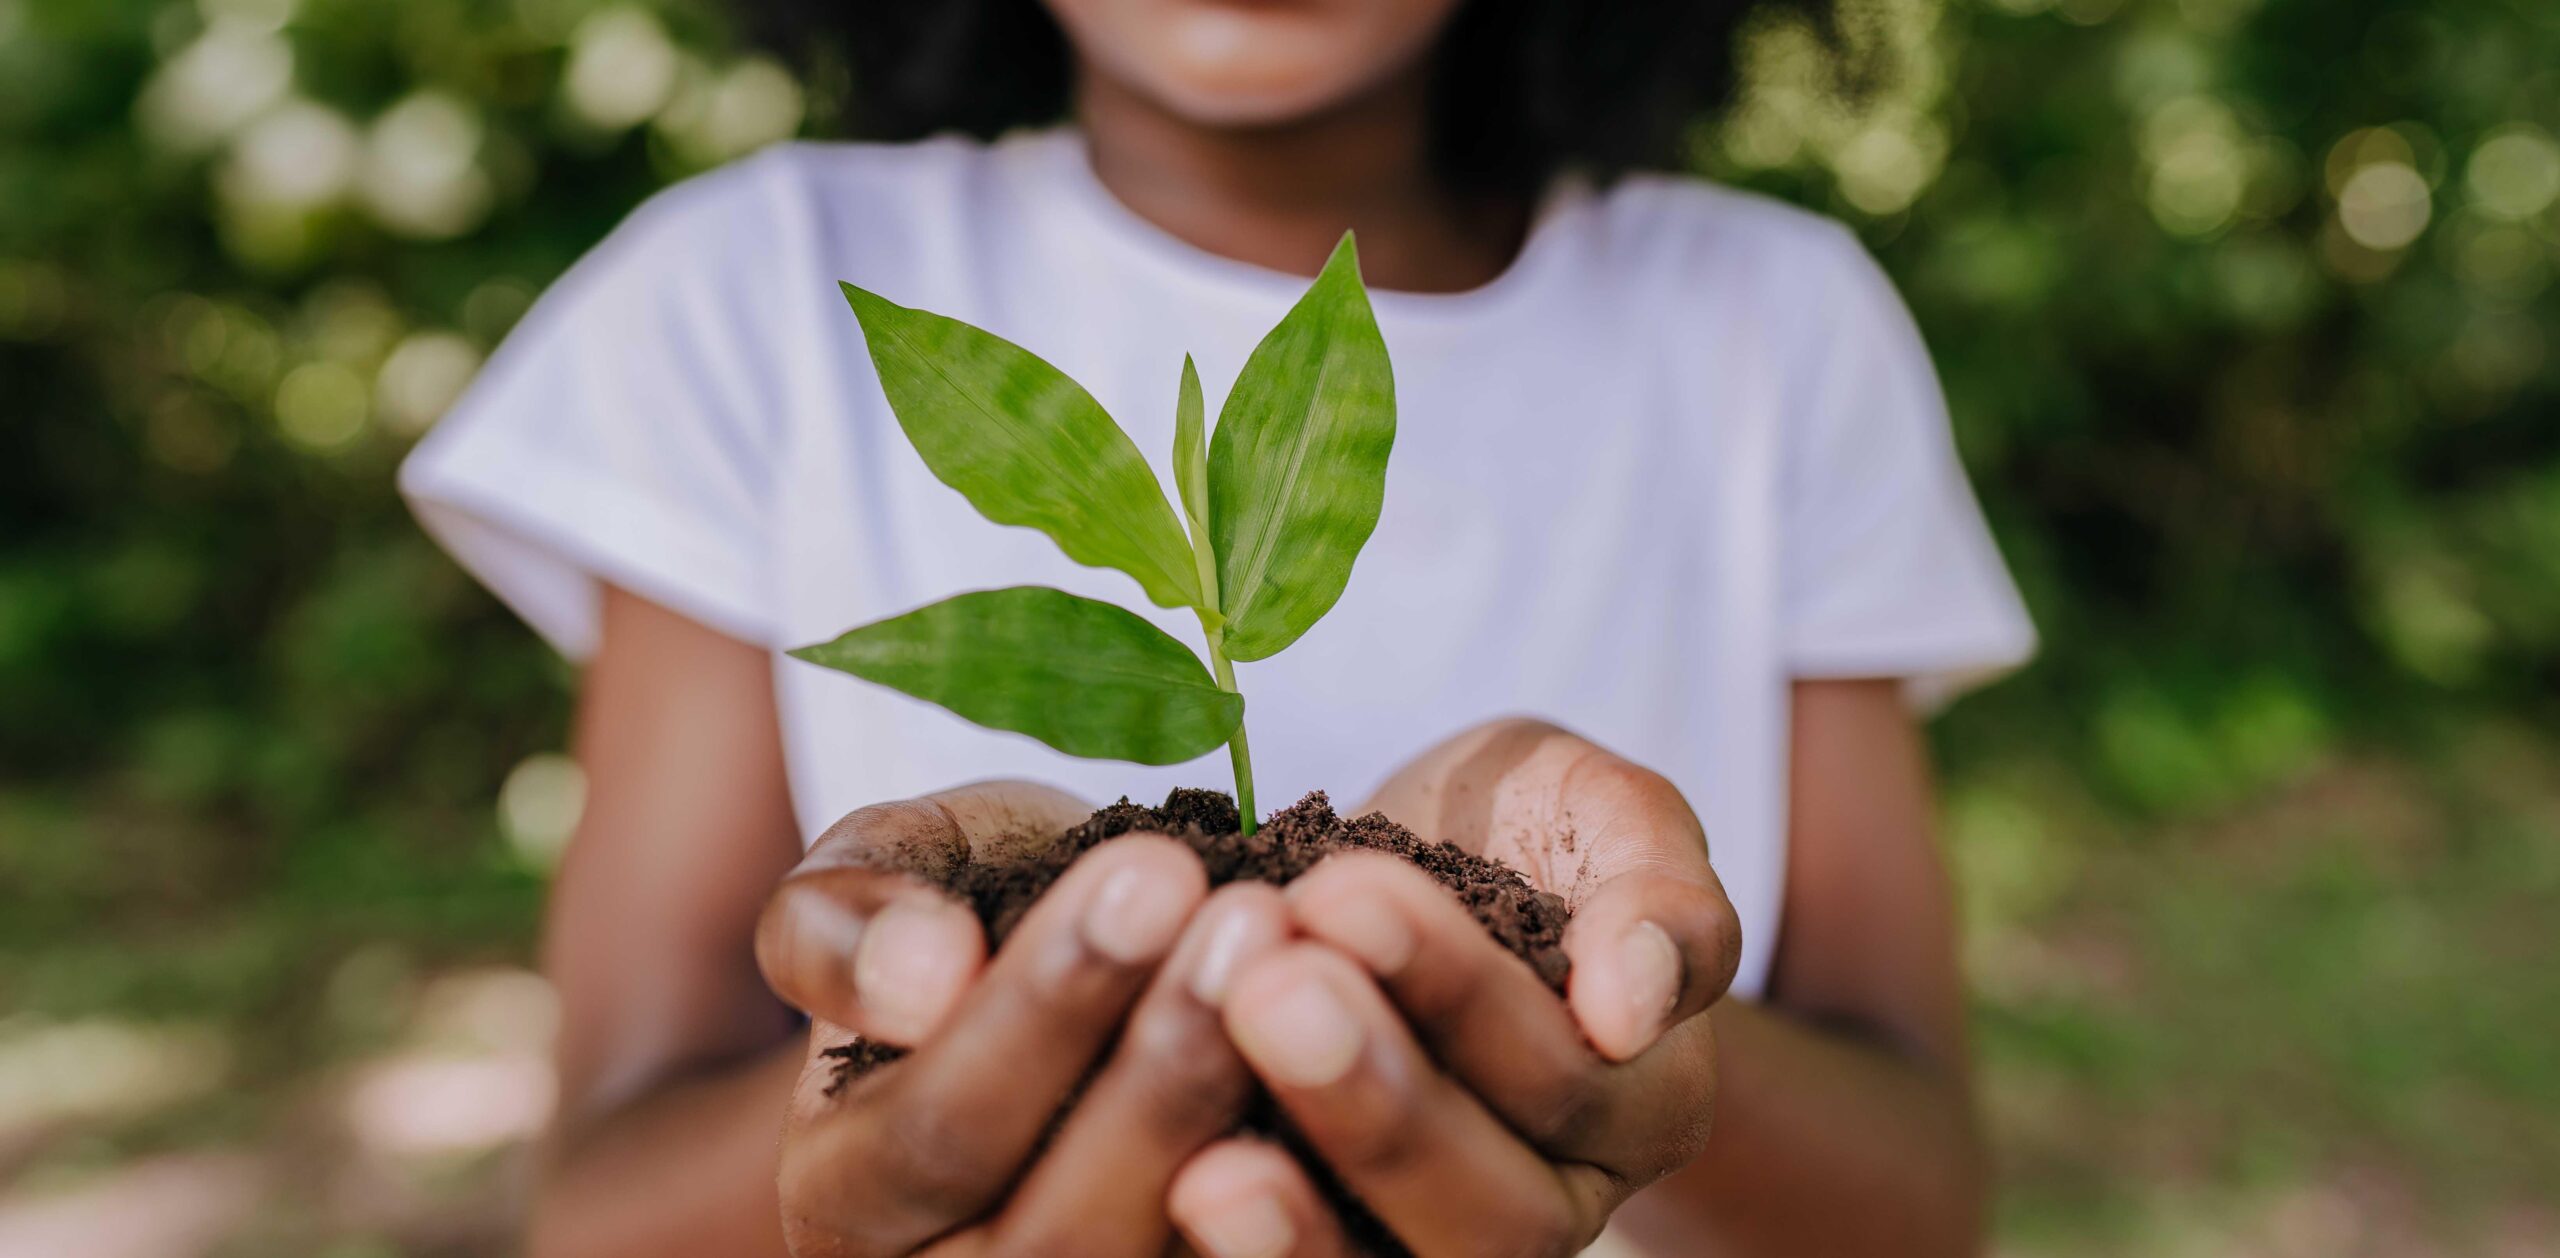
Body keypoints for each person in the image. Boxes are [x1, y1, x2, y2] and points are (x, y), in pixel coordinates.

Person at [399, 0, 2036, 1253]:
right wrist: (959, 1049)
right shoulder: (746, 295)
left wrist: (1614, 1023)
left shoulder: (1770, 328)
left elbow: (1916, 1193)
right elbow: (603, 1206)